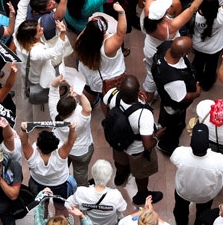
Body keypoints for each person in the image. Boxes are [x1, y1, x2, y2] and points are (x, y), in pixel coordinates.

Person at [103, 75, 163, 205]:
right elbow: (147, 145)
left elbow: (106, 107)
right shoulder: (144, 114)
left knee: (120, 160)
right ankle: (142, 195)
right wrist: (158, 136)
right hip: (136, 149)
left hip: (119, 141)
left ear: (119, 88)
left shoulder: (112, 95)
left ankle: (120, 177)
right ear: (138, 92)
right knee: (141, 173)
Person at [65, 159, 127, 225]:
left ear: (93, 174)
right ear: (109, 177)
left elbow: (67, 204)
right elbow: (122, 208)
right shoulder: (115, 195)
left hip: (88, 222)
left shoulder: (81, 192)